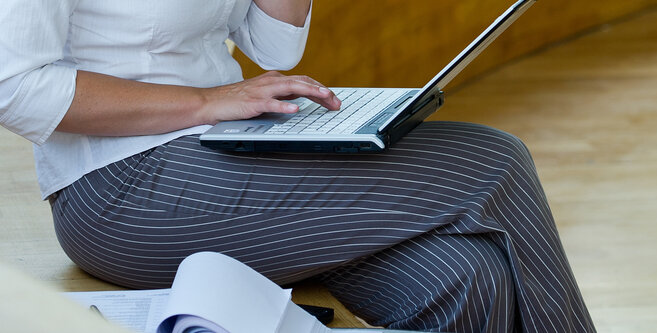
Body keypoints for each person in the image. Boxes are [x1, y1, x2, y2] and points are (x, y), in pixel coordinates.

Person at [1, 1, 596, 332]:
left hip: (227, 144)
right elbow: (16, 88)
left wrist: (218, 110)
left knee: (466, 273)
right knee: (493, 158)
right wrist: (206, 102)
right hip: (122, 186)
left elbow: (275, 47)